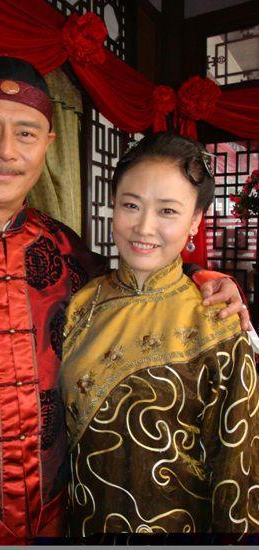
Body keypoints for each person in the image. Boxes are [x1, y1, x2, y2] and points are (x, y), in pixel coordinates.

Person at [0, 58, 248, 539]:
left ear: (48, 145)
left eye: (26, 133)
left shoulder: (66, 252)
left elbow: (136, 289)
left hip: (62, 523)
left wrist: (200, 277)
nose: (6, 151)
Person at [60, 132, 258, 537]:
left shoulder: (218, 321)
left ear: (195, 220)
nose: (144, 227)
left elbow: (238, 477)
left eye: (167, 210)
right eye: (130, 205)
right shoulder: (80, 304)